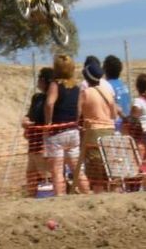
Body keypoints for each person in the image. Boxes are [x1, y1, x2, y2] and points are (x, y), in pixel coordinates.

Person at [43, 55, 89, 196]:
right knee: (77, 169)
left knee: (57, 171)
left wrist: (48, 122)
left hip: (57, 132)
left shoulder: (55, 85)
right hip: (72, 130)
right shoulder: (76, 87)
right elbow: (79, 109)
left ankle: (60, 199)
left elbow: (50, 103)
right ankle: (88, 195)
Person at [77, 61, 116, 193]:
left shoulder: (85, 93)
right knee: (110, 168)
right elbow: (114, 115)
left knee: (96, 171)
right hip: (110, 131)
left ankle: (98, 196)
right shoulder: (107, 92)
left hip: (93, 133)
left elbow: (77, 115)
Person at [22, 67, 53, 197]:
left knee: (46, 176)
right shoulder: (37, 98)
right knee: (31, 175)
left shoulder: (51, 100)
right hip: (33, 144)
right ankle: (31, 197)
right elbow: (29, 115)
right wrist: (25, 121)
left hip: (43, 144)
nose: (38, 81)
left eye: (40, 78)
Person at [102, 55, 131, 131]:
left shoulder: (106, 86)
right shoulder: (124, 86)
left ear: (105, 70)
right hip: (127, 126)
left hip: (115, 127)